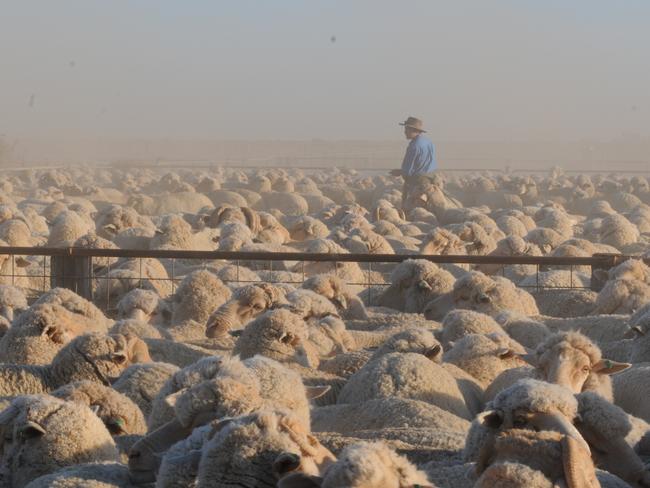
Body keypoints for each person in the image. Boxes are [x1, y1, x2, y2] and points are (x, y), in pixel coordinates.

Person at [390, 116, 437, 208]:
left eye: (406, 129)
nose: (404, 132)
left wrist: (399, 172)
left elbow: (408, 170)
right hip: (432, 177)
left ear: (413, 130)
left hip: (418, 180)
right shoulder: (428, 142)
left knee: (407, 205)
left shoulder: (414, 146)